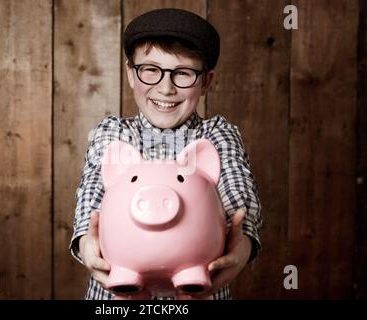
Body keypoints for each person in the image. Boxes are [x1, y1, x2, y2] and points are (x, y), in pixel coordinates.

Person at [70, 8, 262, 300]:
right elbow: (91, 196)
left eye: (183, 73)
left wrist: (242, 244)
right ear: (131, 74)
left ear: (206, 81)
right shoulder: (114, 134)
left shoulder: (216, 135)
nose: (165, 87)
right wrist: (87, 241)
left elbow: (239, 193)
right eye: (151, 70)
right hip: (117, 296)